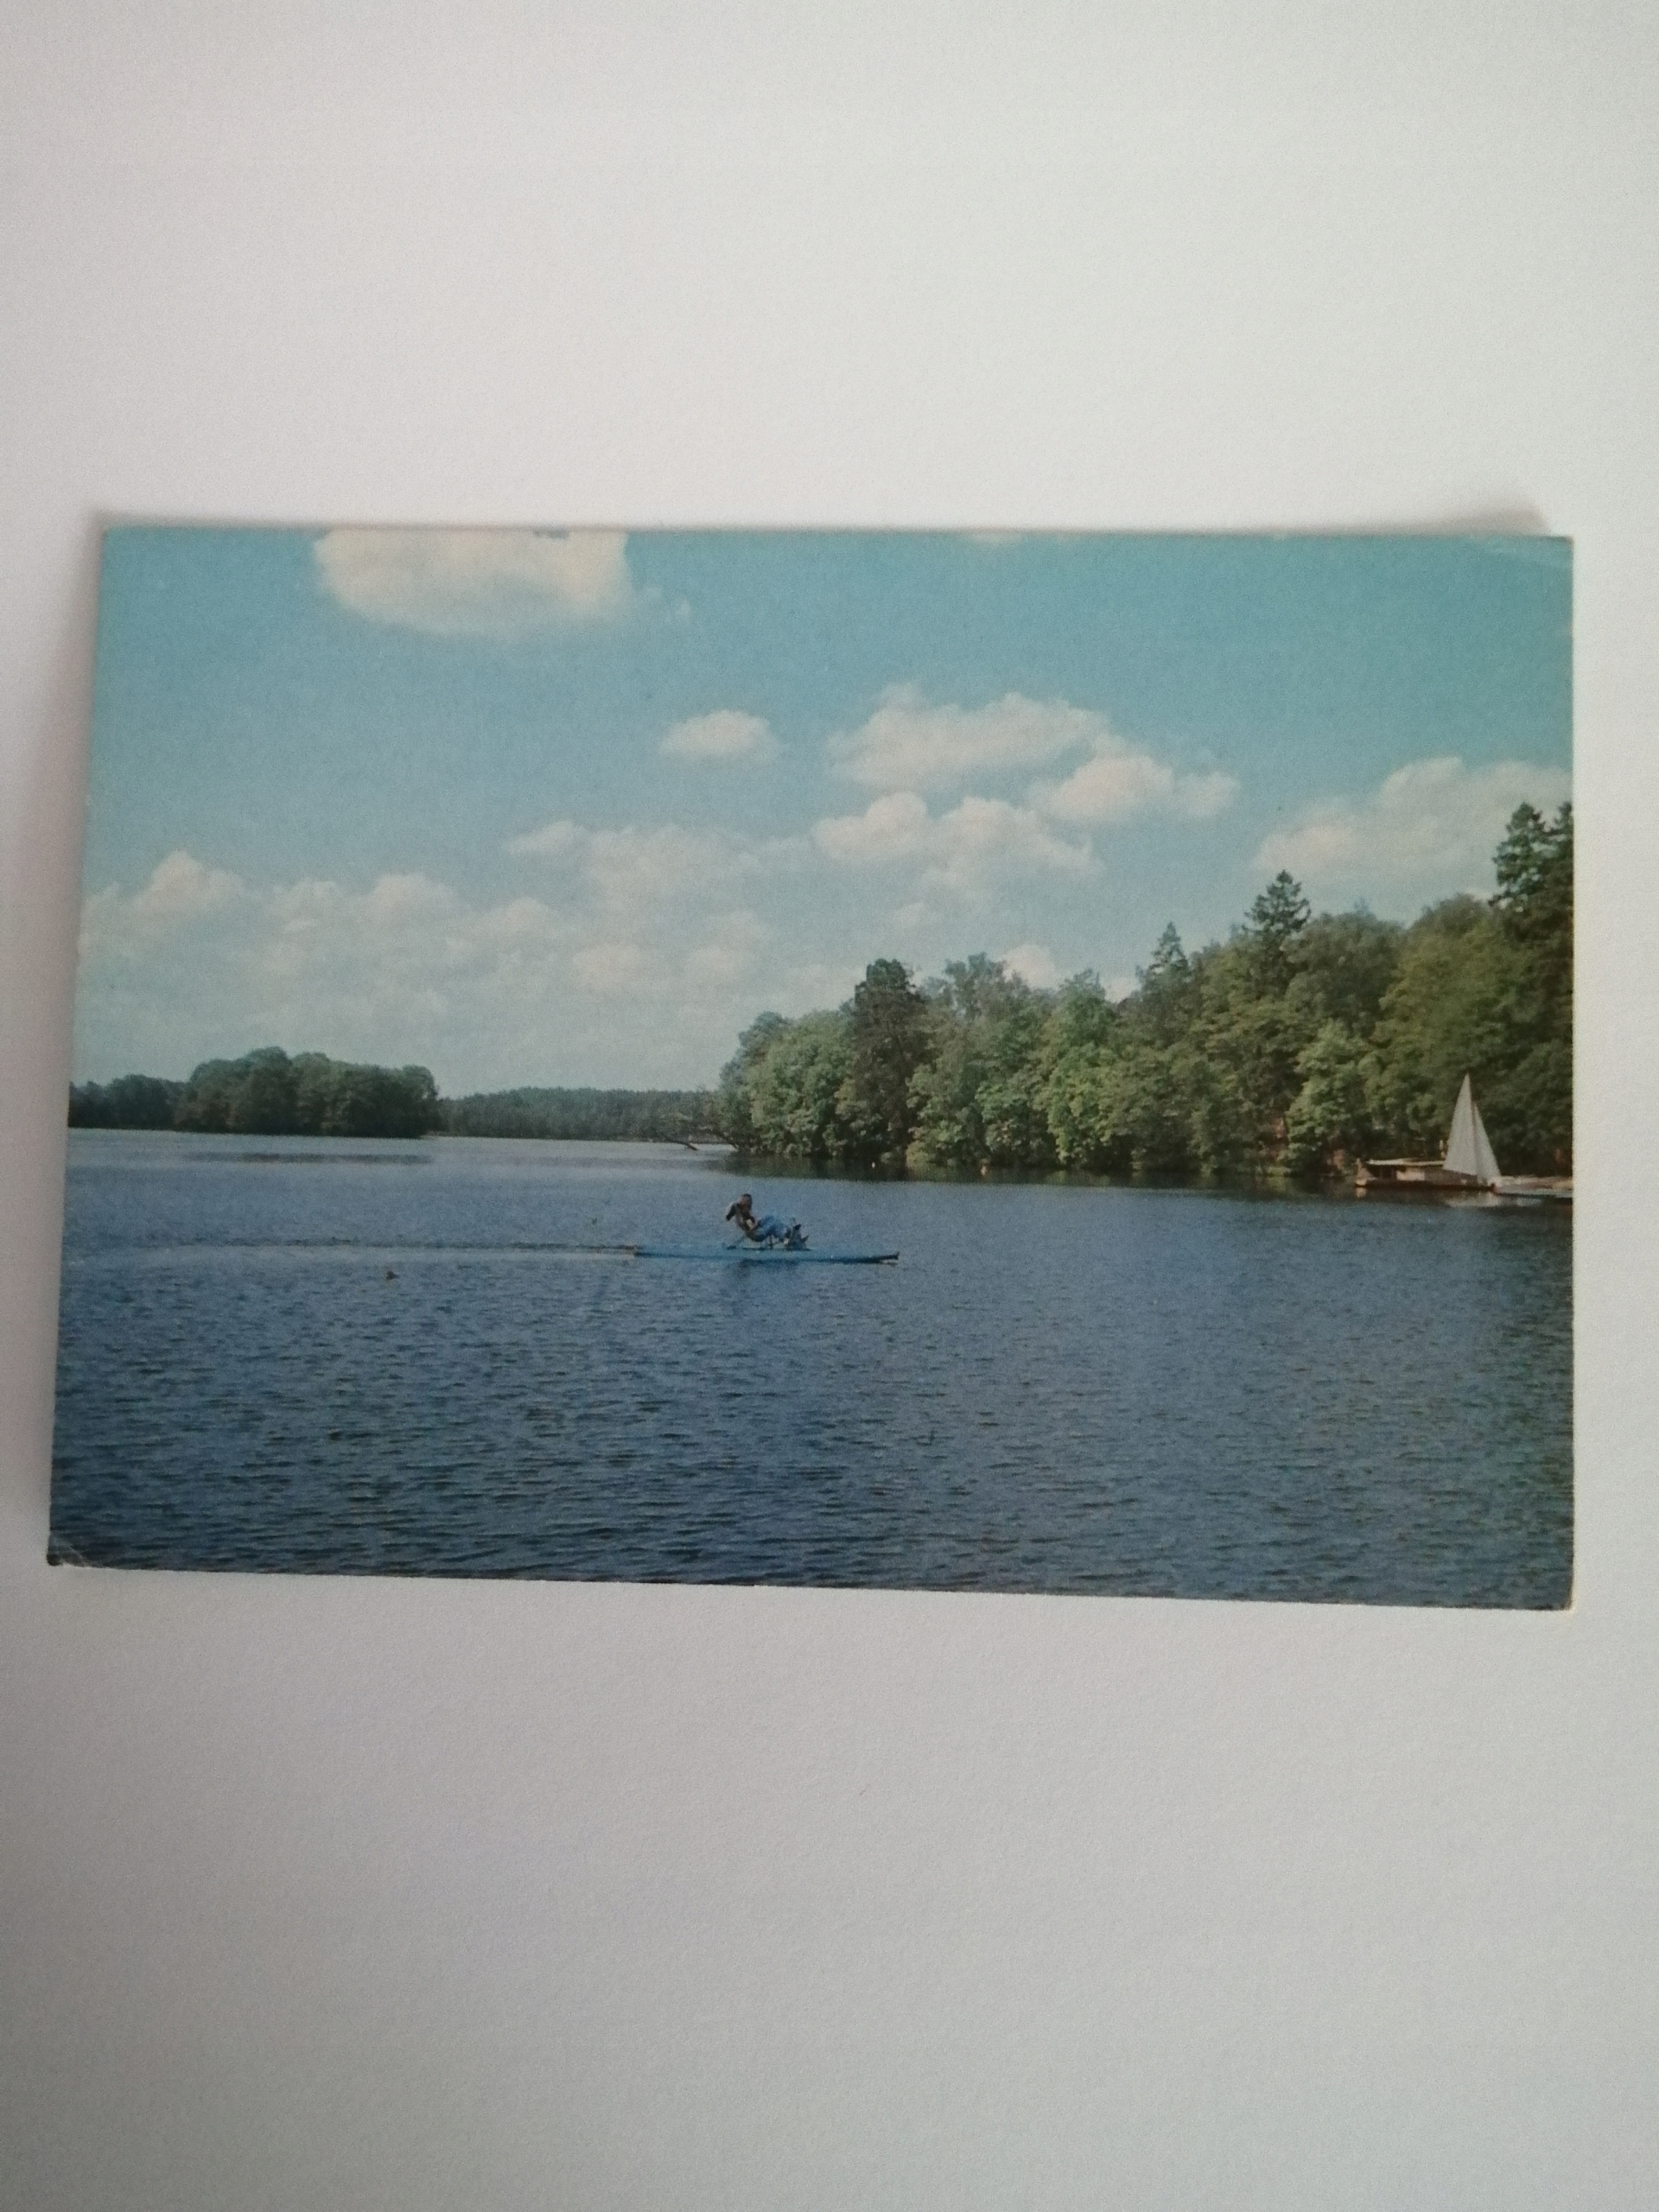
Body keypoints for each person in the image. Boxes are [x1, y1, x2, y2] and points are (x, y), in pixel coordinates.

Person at [724, 1193, 807, 1249]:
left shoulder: (746, 1212)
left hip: (759, 1229)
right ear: (742, 1202)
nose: (750, 1203)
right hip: (757, 1235)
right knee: (774, 1224)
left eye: (750, 1201)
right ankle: (785, 1238)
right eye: (747, 1201)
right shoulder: (741, 1216)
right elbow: (751, 1228)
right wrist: (756, 1222)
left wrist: (757, 1221)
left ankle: (788, 1235)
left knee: (770, 1216)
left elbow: (753, 1223)